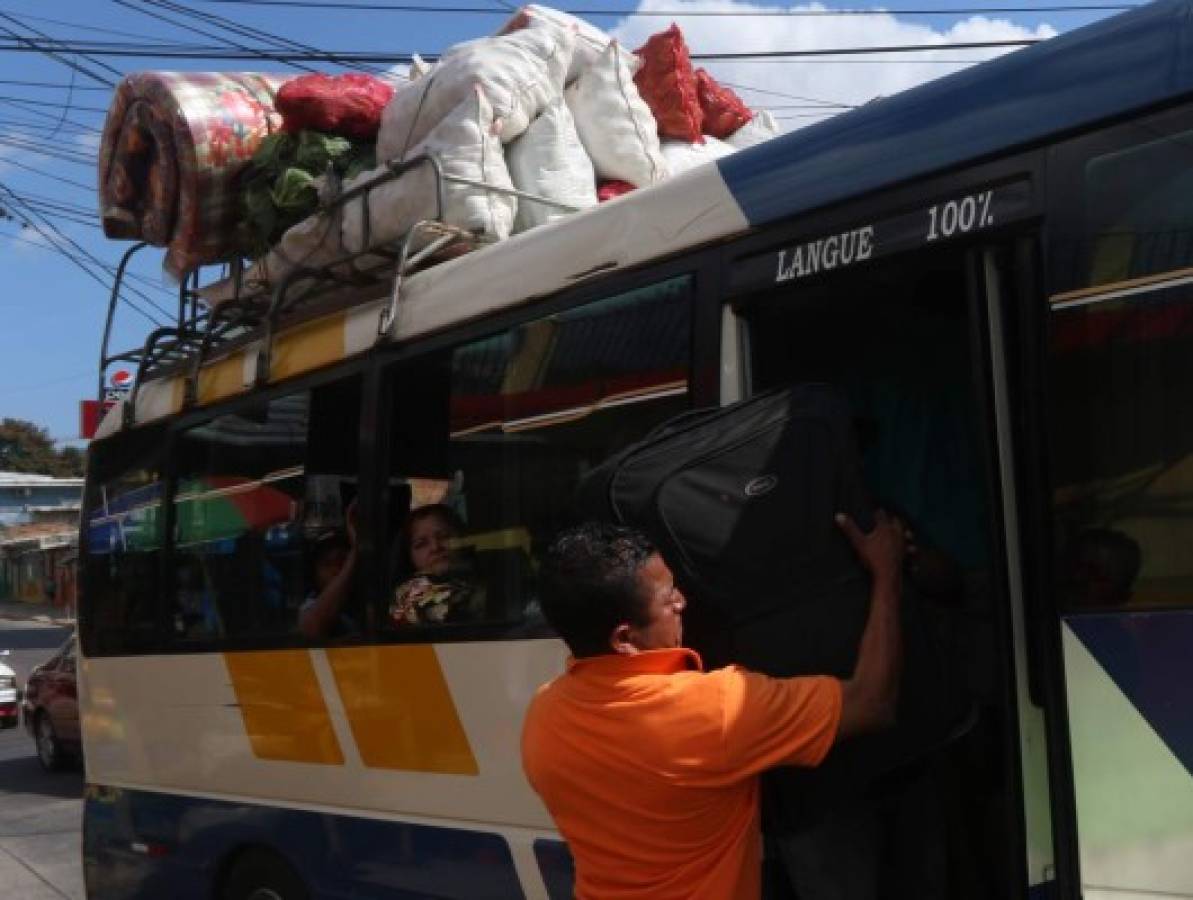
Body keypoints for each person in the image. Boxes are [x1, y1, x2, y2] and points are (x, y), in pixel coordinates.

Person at [521, 513, 905, 900]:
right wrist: (886, 573)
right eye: (668, 598)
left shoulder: (543, 714)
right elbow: (872, 701)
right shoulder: (718, 709)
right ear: (625, 637)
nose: (682, 601)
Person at [388, 504, 484, 626]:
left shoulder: (492, 584)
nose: (435, 547)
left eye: (444, 536)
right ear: (409, 556)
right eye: (421, 544)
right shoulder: (403, 601)